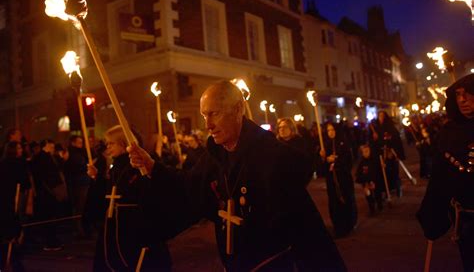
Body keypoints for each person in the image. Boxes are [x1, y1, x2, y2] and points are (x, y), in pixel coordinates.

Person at [128, 80, 346, 271]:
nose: (208, 124)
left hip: (273, 264)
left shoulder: (272, 156)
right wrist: (153, 167)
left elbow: (304, 229)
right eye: (205, 115)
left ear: (239, 109)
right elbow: (189, 185)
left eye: (214, 113)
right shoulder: (215, 156)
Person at [93, 126, 172, 272]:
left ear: (124, 144)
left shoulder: (135, 165)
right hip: (114, 223)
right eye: (107, 143)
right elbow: (108, 190)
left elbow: (147, 194)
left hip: (133, 226)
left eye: (112, 143)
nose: (108, 147)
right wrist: (97, 177)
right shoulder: (115, 166)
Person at [417, 73, 474, 271]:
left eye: (468, 94)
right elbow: (440, 179)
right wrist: (433, 212)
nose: (462, 100)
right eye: (458, 95)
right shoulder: (450, 133)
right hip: (467, 219)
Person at [318, 123, 358, 237]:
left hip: (343, 179)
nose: (330, 132)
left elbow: (349, 162)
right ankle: (338, 225)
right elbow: (320, 169)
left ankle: (348, 224)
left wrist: (337, 161)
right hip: (331, 180)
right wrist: (324, 159)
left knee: (346, 200)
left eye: (332, 129)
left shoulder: (344, 143)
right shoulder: (325, 145)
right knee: (334, 202)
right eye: (328, 130)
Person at [369, 111, 405, 197]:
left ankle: (397, 187)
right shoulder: (376, 128)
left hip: (390, 154)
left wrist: (393, 151)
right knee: (382, 174)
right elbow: (372, 142)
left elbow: (396, 140)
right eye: (379, 116)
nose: (381, 118)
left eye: (382, 116)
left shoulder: (391, 128)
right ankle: (386, 190)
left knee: (393, 172)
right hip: (380, 154)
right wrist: (374, 138)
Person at [355, 144, 384, 215]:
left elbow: (378, 171)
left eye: (367, 151)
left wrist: (383, 166)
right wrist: (364, 182)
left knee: (377, 193)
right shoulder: (361, 162)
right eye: (364, 152)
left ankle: (380, 204)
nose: (366, 153)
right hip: (366, 182)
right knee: (368, 196)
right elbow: (358, 173)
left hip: (375, 181)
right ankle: (372, 208)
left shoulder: (374, 160)